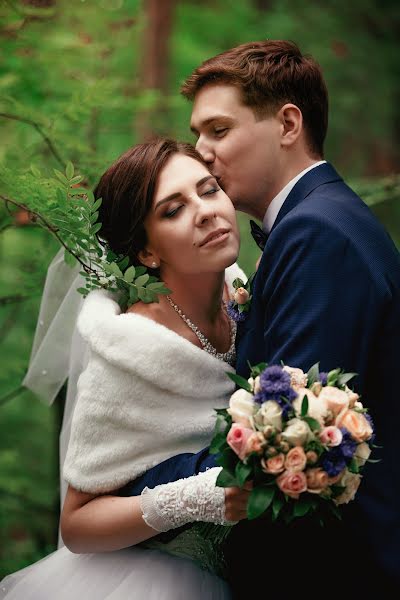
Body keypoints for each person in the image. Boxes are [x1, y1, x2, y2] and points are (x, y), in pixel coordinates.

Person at [115, 40, 400, 597]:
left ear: (288, 123)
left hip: (335, 573)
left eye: (218, 131)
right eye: (198, 135)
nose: (202, 152)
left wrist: (140, 482)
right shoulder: (321, 220)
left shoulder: (315, 233)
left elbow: (290, 441)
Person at [0, 139, 252, 599]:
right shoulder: (129, 354)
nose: (205, 212)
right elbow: (76, 525)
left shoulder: (238, 292)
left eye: (209, 190)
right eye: (173, 210)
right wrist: (196, 498)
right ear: (147, 254)